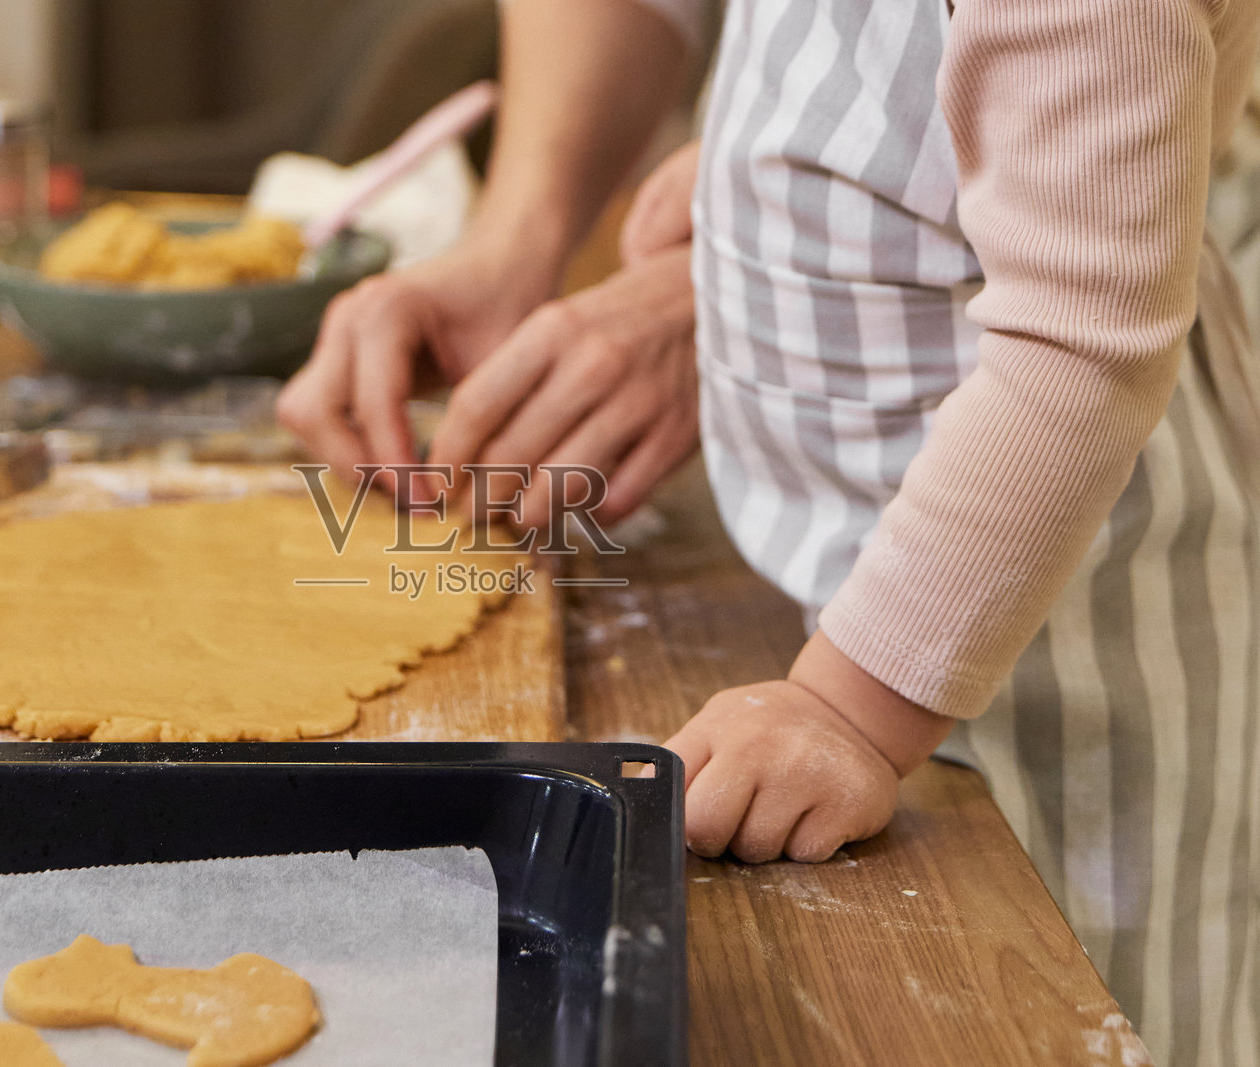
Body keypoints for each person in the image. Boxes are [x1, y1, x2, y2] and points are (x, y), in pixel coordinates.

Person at [277, 0, 1260, 1060]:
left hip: (1054, 640)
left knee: (1084, 1005)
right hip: (859, 616)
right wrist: (773, 165)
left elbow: (1081, 341)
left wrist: (846, 710)